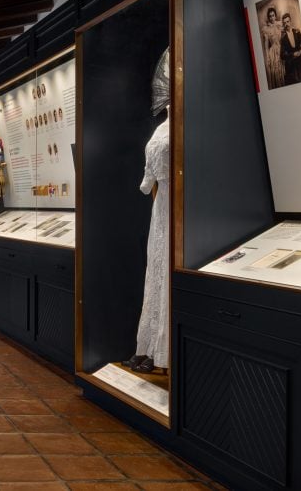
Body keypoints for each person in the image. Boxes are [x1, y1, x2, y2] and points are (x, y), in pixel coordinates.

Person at [124, 48, 170, 374]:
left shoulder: (165, 132)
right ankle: (151, 347)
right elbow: (148, 181)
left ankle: (161, 349)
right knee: (157, 274)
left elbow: (147, 181)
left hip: (171, 206)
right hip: (165, 206)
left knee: (163, 274)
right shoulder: (164, 130)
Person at [280, 13, 301, 85]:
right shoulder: (283, 38)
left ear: (290, 21)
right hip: (291, 65)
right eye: (284, 23)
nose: (286, 24)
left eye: (287, 22)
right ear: (283, 24)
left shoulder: (297, 32)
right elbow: (282, 55)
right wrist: (293, 54)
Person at [259, 6, 284, 89]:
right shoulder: (266, 29)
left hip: (281, 49)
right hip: (273, 51)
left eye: (273, 15)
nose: (272, 18)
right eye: (270, 16)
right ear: (268, 18)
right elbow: (266, 45)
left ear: (275, 16)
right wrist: (268, 57)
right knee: (276, 72)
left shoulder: (280, 24)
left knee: (283, 71)